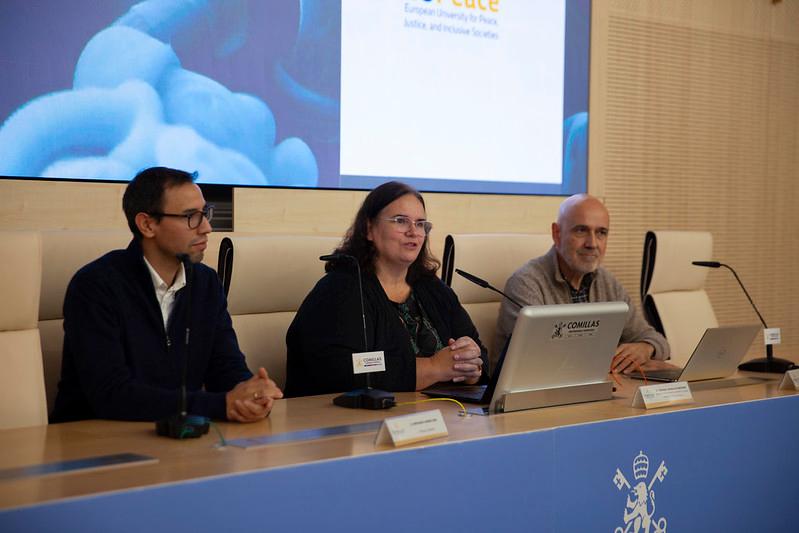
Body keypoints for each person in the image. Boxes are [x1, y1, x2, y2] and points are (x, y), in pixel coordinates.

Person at [51, 167, 282, 423]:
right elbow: (111, 395)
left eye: (205, 214)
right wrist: (219, 404)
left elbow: (225, 369)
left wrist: (253, 395)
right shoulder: (95, 286)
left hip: (177, 439)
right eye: (191, 217)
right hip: (92, 444)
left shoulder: (206, 283)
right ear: (147, 224)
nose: (206, 227)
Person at [285, 181, 488, 397]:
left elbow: (481, 355)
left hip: (440, 418)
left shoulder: (433, 288)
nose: (413, 232)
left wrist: (471, 368)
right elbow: (345, 372)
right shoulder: (340, 290)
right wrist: (433, 367)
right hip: (350, 421)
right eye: (401, 221)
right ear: (369, 229)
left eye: (420, 224)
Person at [495, 194, 669, 374]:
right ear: (557, 233)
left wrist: (645, 348)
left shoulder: (608, 283)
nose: (592, 243)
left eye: (601, 233)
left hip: (597, 389)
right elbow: (536, 360)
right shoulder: (526, 283)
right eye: (581, 230)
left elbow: (657, 340)